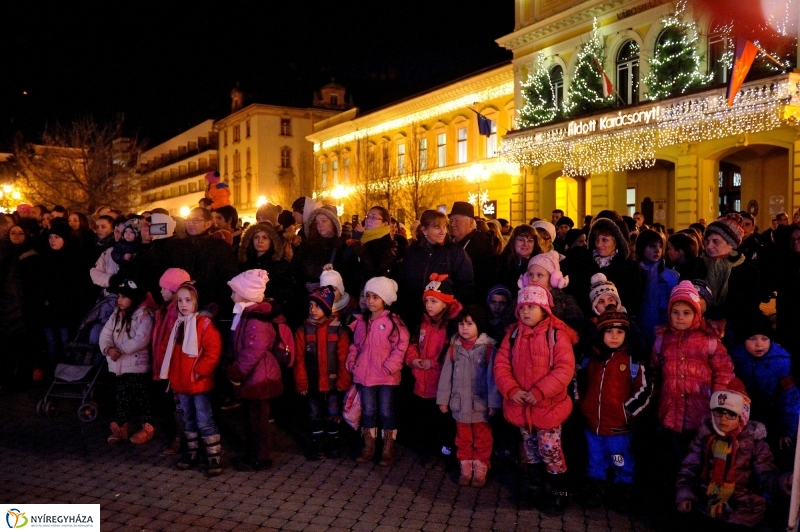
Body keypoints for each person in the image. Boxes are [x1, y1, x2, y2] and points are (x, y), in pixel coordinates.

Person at [493, 284, 578, 515]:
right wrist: (511, 389)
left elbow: (564, 369)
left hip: (547, 406)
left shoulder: (556, 336)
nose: (526, 312)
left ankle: (560, 491)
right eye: (522, 308)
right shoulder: (512, 335)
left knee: (550, 449)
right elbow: (501, 365)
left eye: (532, 307)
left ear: (544, 310)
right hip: (521, 406)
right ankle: (535, 485)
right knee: (530, 450)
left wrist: (540, 392)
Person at [676, 378, 792, 530]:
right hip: (706, 504)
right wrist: (685, 495)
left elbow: (766, 475)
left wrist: (784, 481)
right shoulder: (705, 438)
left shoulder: (755, 444)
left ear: (742, 417)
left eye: (731, 414)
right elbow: (689, 468)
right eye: (719, 412)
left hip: (744, 509)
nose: (723, 418)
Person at [577, 308, 652, 512]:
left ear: (626, 334)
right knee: (595, 458)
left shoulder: (632, 360)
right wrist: (581, 404)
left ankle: (623, 487)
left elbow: (645, 388)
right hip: (593, 423)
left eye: (619, 332)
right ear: (601, 334)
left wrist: (628, 411)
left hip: (619, 426)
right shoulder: (592, 357)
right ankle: (597, 486)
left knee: (620, 458)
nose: (614, 336)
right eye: (609, 332)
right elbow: (579, 380)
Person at [650, 282, 734, 460]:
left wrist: (718, 404)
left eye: (686, 313)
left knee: (698, 456)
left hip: (700, 413)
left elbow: (723, 373)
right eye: (675, 312)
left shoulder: (709, 340)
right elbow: (655, 371)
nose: (680, 317)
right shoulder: (662, 341)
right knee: (673, 456)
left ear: (696, 313)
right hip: (670, 412)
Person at [225, 270, 286, 471]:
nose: (232, 295)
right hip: (255, 376)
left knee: (257, 421)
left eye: (235, 292)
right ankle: (253, 454)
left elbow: (253, 350)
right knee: (252, 419)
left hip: (259, 377)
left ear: (246, 293)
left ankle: (260, 457)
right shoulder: (248, 315)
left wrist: (237, 372)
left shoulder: (255, 319)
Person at [160, 282, 224, 476]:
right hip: (181, 383)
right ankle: (192, 453)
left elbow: (213, 350)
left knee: (205, 419)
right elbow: (167, 349)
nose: (183, 304)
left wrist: (201, 370)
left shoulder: (203, 324)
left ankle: (213, 457)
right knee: (188, 419)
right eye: (179, 300)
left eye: (188, 300)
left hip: (198, 382)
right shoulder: (177, 325)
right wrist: (170, 373)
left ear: (196, 302)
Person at [345, 277, 410, 466]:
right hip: (365, 375)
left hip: (386, 376)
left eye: (376, 297)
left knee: (386, 410)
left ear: (385, 299)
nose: (371, 301)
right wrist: (352, 362)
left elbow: (401, 345)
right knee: (369, 410)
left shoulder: (392, 322)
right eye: (368, 296)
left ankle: (388, 447)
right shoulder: (361, 322)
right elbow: (356, 346)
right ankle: (369, 447)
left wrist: (391, 366)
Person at [437, 305, 500, 488]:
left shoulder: (488, 349)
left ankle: (480, 468)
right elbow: (446, 376)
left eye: (470, 324)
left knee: (482, 437)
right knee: (463, 437)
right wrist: (443, 399)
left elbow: (492, 379)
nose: (465, 328)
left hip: (480, 404)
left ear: (478, 325)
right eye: (462, 324)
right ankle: (465, 468)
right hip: (460, 404)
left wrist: (494, 403)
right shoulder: (453, 348)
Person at [405, 273, 462, 469]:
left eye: (434, 301)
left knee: (442, 421)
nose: (429, 305)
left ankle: (444, 452)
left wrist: (433, 362)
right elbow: (413, 343)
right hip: (421, 380)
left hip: (440, 383)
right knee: (424, 420)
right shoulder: (422, 322)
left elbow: (450, 350)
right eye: (427, 300)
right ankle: (427, 451)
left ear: (445, 303)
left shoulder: (451, 325)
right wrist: (413, 360)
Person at [729, 314, 799, 461]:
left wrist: (787, 431)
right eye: (752, 338)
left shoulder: (781, 362)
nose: (759, 344)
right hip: (744, 417)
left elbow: (789, 398)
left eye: (764, 339)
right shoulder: (735, 357)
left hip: (773, 418)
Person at [293, 286, 351, 460]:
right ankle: (317, 444)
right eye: (310, 305)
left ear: (326, 308)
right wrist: (301, 382)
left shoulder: (339, 330)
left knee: (333, 413)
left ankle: (333, 443)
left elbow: (343, 359)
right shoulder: (303, 330)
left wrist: (343, 381)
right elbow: (299, 359)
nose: (312, 310)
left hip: (333, 384)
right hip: (312, 383)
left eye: (317, 306)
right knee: (314, 414)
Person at [397, 209, 474, 332]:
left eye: (444, 227)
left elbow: (466, 284)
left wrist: (453, 311)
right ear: (424, 230)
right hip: (414, 316)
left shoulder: (454, 252)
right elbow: (403, 282)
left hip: (444, 319)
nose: (443, 231)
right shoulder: (412, 251)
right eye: (437, 227)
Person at [99, 279, 156, 445]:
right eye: (118, 296)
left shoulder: (145, 315)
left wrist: (121, 350)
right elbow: (105, 334)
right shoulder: (116, 314)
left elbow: (142, 339)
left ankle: (148, 426)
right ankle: (123, 427)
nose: (119, 300)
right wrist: (108, 349)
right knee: (122, 397)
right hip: (120, 366)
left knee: (142, 397)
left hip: (137, 366)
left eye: (124, 297)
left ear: (135, 298)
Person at [151, 268, 192, 455]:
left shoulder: (176, 312)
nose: (161, 291)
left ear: (174, 290)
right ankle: (176, 437)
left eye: (164, 288)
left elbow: (172, 342)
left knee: (177, 406)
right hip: (163, 366)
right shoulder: (164, 310)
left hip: (171, 368)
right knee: (169, 405)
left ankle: (180, 439)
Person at [702, 214, 761, 342]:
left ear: (731, 244)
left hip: (736, 337)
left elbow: (750, 309)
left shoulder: (749, 272)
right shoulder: (698, 266)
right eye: (707, 241)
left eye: (715, 241)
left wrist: (724, 319)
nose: (709, 246)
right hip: (701, 335)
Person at [519, 250, 584, 340]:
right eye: (530, 274)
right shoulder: (521, 298)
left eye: (540, 275)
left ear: (553, 278)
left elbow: (576, 328)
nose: (534, 279)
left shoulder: (565, 300)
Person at [637, 229, 680, 346]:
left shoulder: (670, 275)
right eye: (652, 246)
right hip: (638, 330)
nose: (657, 250)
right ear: (642, 248)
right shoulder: (634, 272)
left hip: (663, 331)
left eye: (660, 246)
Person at [448, 201, 496, 297]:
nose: (452, 224)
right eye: (451, 220)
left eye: (457, 221)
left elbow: (484, 279)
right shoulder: (449, 244)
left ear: (470, 223)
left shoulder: (482, 245)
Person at [493, 224, 542, 297]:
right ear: (513, 241)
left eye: (530, 241)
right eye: (521, 240)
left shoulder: (540, 264)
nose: (525, 244)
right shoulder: (499, 262)